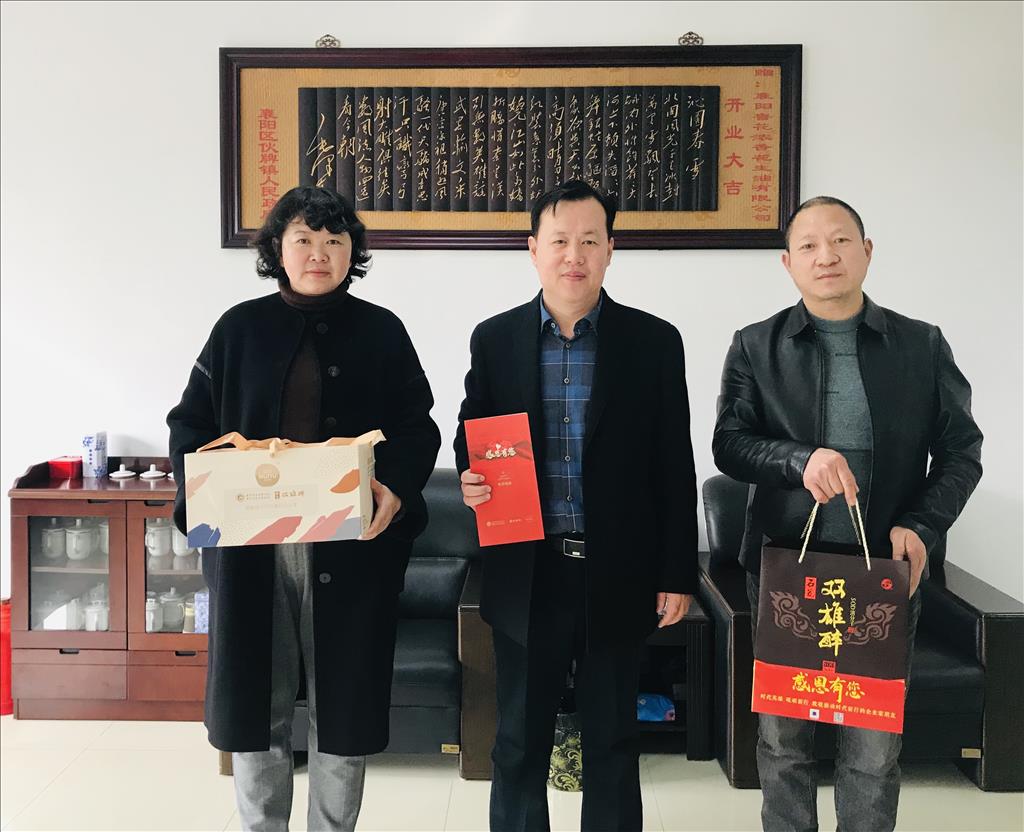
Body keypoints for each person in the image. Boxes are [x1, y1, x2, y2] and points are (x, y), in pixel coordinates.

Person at [167, 186, 441, 831]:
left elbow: (417, 427)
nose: (319, 253)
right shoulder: (238, 329)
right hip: (253, 548)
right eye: (304, 240)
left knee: (342, 704)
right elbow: (189, 424)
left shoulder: (382, 330)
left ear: (352, 252)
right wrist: (206, 494)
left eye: (334, 241)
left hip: (350, 546)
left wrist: (395, 487)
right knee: (255, 701)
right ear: (278, 250)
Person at [713, 195, 983, 832]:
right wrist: (798, 459)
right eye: (807, 245)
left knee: (873, 747)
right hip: (787, 570)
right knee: (783, 740)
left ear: (866, 251)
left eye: (840, 241)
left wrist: (921, 526)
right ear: (788, 263)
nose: (825, 256)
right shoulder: (756, 345)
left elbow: (961, 452)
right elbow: (730, 444)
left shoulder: (920, 344)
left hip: (884, 572)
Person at [454, 179, 699, 831]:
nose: (574, 255)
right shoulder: (495, 338)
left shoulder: (653, 341)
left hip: (617, 570)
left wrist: (676, 574)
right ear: (533, 249)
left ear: (610, 249)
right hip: (527, 569)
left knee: (613, 739)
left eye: (590, 241)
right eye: (559, 240)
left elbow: (674, 463)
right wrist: (470, 474)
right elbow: (473, 428)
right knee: (518, 740)